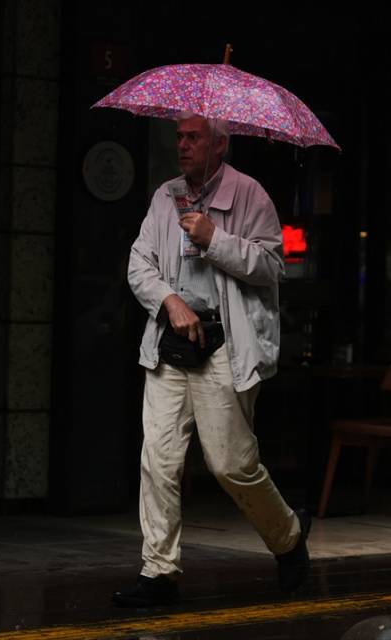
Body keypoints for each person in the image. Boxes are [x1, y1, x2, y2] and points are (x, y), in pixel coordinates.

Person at [112, 113, 310, 607]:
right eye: (179, 136)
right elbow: (139, 263)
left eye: (193, 137)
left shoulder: (249, 195)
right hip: (171, 343)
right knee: (158, 460)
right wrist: (168, 301)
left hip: (226, 344)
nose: (182, 145)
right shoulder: (165, 196)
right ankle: (159, 573)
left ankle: (288, 536)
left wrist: (214, 240)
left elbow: (270, 266)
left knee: (230, 464)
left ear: (219, 145)